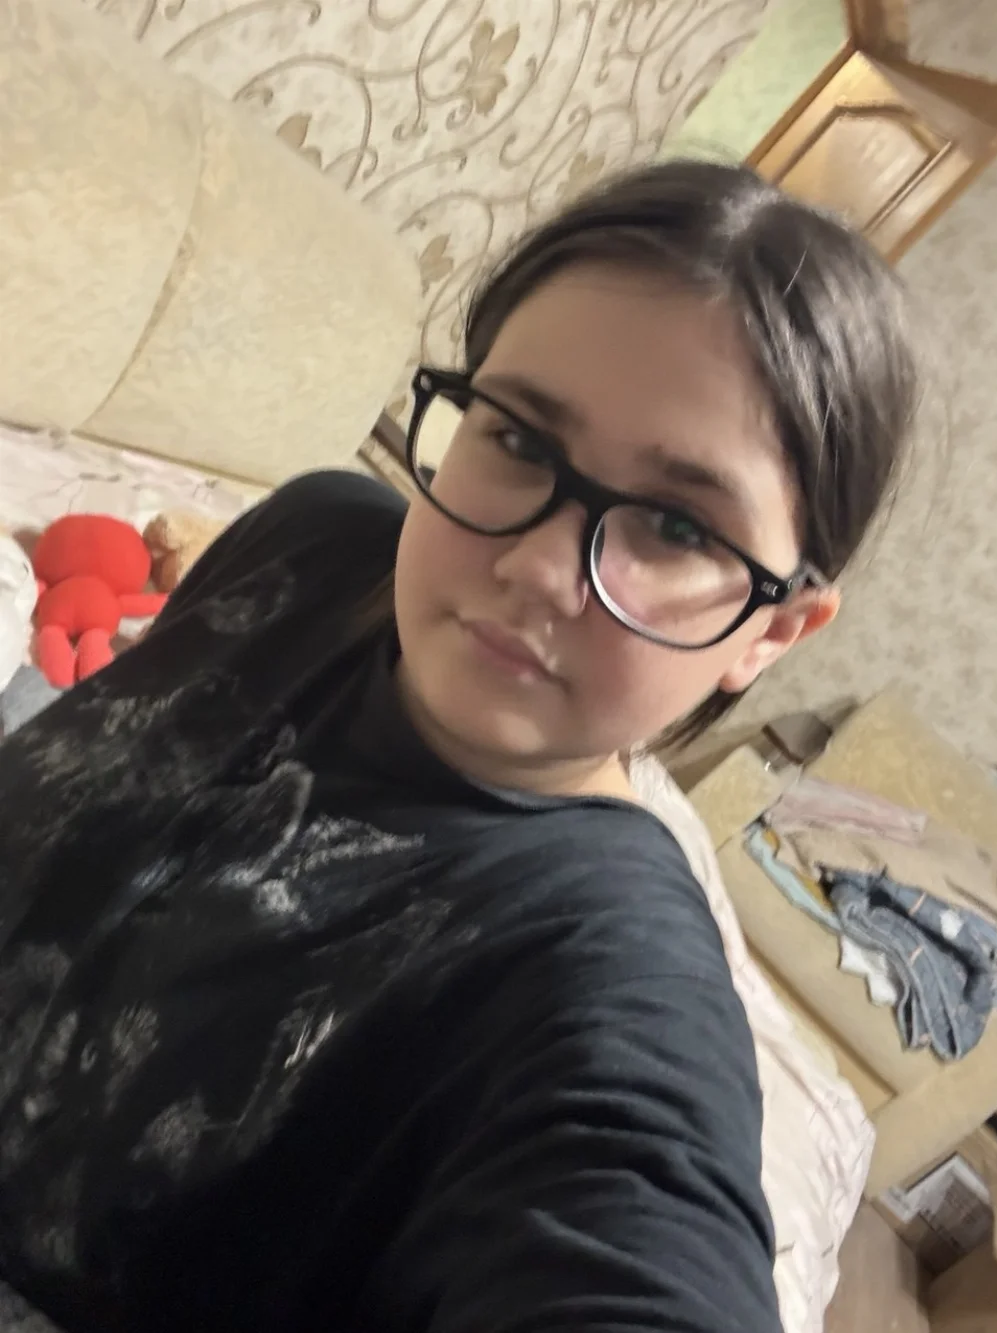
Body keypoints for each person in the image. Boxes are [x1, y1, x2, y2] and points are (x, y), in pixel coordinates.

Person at [0, 160, 917, 1333]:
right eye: (520, 438)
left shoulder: (602, 981)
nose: (534, 566)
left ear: (772, 631)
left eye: (676, 525)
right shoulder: (319, 534)